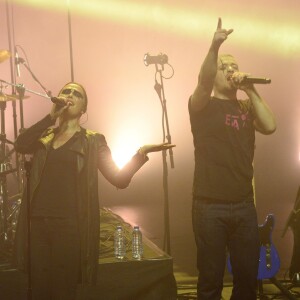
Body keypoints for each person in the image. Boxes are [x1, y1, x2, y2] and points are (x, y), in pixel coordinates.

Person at [13, 82, 174, 300]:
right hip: (38, 224)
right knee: (39, 291)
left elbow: (119, 179)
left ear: (83, 109)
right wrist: (50, 117)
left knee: (62, 291)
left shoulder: (92, 140)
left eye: (76, 94)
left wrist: (140, 154)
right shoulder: (45, 136)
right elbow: (21, 144)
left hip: (68, 226)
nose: (69, 95)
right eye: (65, 91)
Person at [189, 18, 276, 300]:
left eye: (234, 66)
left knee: (246, 282)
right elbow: (203, 80)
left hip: (243, 206)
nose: (230, 70)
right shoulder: (202, 104)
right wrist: (215, 47)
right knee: (211, 281)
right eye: (224, 67)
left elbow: (270, 126)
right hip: (209, 206)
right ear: (214, 73)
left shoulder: (246, 107)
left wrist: (249, 87)